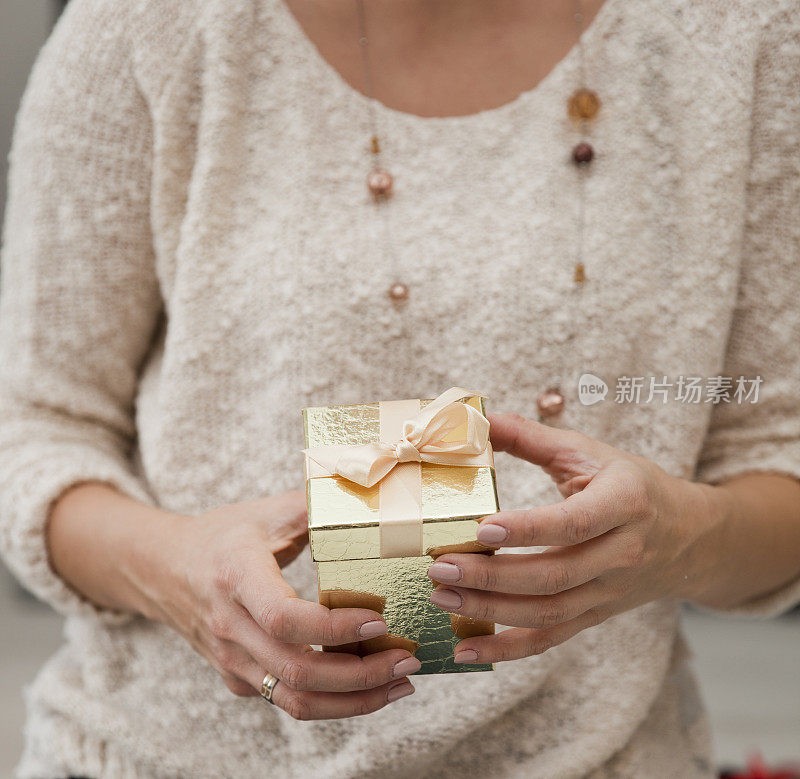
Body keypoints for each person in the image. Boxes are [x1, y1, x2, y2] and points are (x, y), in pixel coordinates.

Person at [1, 0, 799, 777]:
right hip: (152, 753)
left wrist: (688, 538)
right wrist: (179, 571)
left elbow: (780, 453)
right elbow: (31, 427)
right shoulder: (151, 24)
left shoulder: (741, 34)